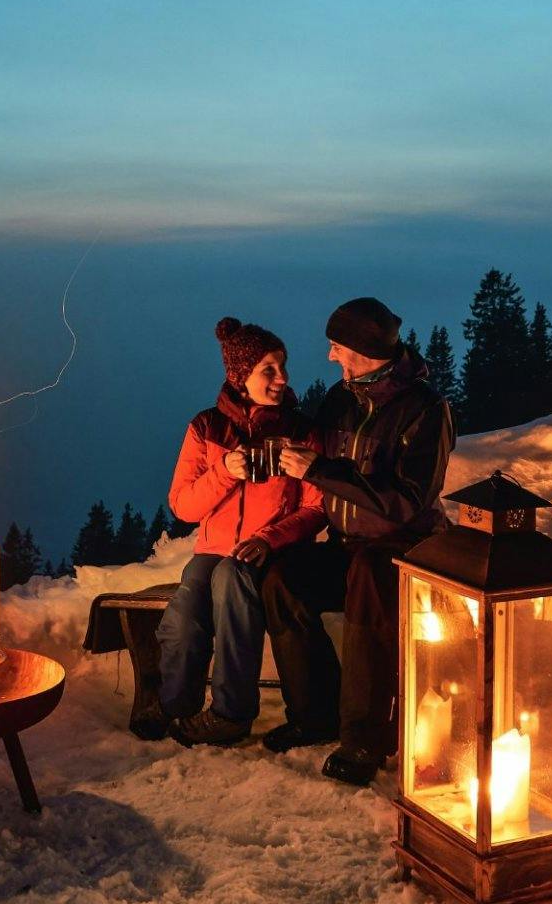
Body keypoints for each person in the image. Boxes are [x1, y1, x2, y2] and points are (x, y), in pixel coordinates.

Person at [262, 296, 455, 785]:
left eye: (335, 346)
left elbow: (408, 501)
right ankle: (314, 715)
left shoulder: (424, 411)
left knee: (369, 579)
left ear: (363, 350)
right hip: (348, 544)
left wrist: (321, 471)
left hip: (405, 550)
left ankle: (364, 740)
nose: (329, 356)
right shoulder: (342, 398)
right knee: (284, 579)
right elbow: (317, 442)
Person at [149, 317, 324, 746]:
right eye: (269, 369)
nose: (282, 378)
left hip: (269, 552)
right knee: (185, 611)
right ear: (238, 376)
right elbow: (184, 506)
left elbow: (316, 509)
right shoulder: (207, 428)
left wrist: (269, 538)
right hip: (212, 550)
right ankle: (175, 709)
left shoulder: (301, 432)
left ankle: (231, 713)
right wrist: (223, 472)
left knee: (230, 581)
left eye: (282, 366)